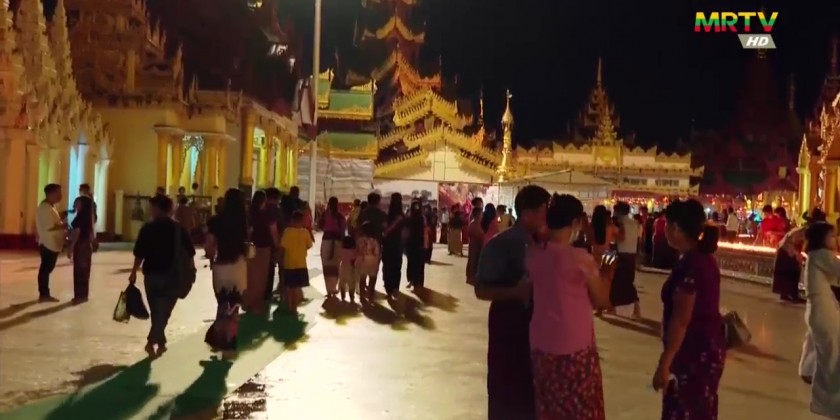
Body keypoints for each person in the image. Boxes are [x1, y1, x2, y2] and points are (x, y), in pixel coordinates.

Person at [528, 194, 615, 420]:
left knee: (550, 408)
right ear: (576, 223)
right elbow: (602, 301)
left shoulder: (533, 254)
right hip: (574, 346)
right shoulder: (579, 258)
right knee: (581, 410)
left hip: (541, 343)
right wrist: (607, 274)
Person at [475, 185, 550, 420]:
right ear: (529, 213)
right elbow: (481, 289)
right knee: (506, 387)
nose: (547, 216)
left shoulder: (542, 244)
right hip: (509, 325)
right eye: (544, 210)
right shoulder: (502, 244)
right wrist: (515, 292)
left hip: (537, 329)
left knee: (530, 390)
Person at [652, 199, 725, 419]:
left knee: (685, 408)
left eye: (666, 224)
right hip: (708, 347)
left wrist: (665, 362)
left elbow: (681, 319)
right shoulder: (704, 259)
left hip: (692, 351)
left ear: (676, 228)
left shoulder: (690, 266)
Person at [129, 195, 195, 358]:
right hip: (172, 275)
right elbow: (190, 252)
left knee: (157, 311)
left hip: (152, 275)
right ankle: (156, 341)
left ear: (158, 208)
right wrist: (191, 270)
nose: (150, 211)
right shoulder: (179, 229)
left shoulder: (147, 228)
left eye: (152, 207)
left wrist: (134, 271)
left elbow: (139, 253)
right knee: (164, 312)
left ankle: (155, 341)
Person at [204, 188, 249, 359]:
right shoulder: (243, 221)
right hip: (238, 266)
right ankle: (229, 343)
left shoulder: (215, 221)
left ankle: (219, 339)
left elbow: (209, 245)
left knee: (223, 305)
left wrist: (211, 259)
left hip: (221, 266)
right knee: (234, 308)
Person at [801, 222, 840, 417]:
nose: (835, 239)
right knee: (831, 360)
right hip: (824, 312)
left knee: (825, 355)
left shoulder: (815, 256)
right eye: (832, 236)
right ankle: (829, 404)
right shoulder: (821, 255)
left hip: (820, 310)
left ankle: (824, 401)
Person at [246, 190, 280, 315]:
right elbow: (273, 231)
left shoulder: (249, 214)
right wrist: (277, 245)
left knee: (250, 274)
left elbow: (249, 231)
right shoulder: (267, 214)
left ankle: (249, 300)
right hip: (264, 247)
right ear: (263, 201)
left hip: (251, 247)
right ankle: (257, 303)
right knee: (262, 276)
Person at [35, 184, 65, 302]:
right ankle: (44, 294)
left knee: (47, 269)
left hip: (53, 243)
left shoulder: (50, 206)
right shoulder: (44, 208)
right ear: (51, 194)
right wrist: (62, 226)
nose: (61, 196)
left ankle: (44, 293)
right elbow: (49, 226)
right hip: (48, 243)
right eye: (59, 193)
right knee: (45, 269)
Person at [281, 211, 314, 313]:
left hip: (288, 263)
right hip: (301, 264)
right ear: (302, 221)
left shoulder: (287, 232)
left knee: (288, 286)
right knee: (297, 287)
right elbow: (309, 245)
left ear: (292, 220)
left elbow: (283, 246)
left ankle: (289, 305)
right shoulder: (305, 232)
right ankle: (294, 307)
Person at [612, 201, 641, 317]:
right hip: (632, 254)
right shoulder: (634, 223)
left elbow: (621, 238)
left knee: (616, 282)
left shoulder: (620, 223)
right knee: (628, 282)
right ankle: (636, 308)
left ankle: (613, 307)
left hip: (622, 254)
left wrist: (613, 235)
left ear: (619, 212)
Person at [67, 195, 95, 304]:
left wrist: (71, 247)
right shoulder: (88, 217)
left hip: (81, 246)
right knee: (84, 271)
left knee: (79, 271)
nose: (75, 205)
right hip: (87, 246)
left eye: (77, 203)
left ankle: (79, 295)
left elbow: (77, 233)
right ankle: (83, 295)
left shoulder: (80, 217)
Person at [357, 192, 386, 297]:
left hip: (363, 243)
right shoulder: (381, 214)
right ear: (378, 201)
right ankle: (371, 291)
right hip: (376, 243)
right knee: (374, 269)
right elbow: (385, 227)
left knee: (362, 269)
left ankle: (362, 291)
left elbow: (358, 226)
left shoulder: (363, 213)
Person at [319, 197, 346, 298]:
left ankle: (329, 289)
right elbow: (343, 230)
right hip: (337, 241)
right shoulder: (340, 216)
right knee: (335, 265)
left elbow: (319, 226)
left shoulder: (324, 215)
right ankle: (334, 287)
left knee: (326, 265)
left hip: (326, 240)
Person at [382, 193, 406, 299]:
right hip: (398, 244)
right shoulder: (402, 217)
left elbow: (385, 231)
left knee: (387, 266)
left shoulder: (387, 216)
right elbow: (405, 233)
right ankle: (395, 288)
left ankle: (389, 289)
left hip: (388, 244)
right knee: (396, 266)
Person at [406, 201, 428, 290]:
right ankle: (418, 281)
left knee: (412, 263)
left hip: (412, 244)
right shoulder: (422, 218)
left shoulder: (409, 218)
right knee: (419, 263)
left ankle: (412, 280)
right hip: (419, 244)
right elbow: (425, 232)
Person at [465, 207, 484, 285]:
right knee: (473, 260)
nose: (482, 215)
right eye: (481, 213)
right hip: (474, 244)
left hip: (477, 244)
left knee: (475, 260)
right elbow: (479, 234)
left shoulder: (477, 223)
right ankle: (470, 276)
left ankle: (472, 276)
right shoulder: (474, 223)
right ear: (478, 214)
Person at [339, 235, 358, 303]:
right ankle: (351, 297)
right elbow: (355, 260)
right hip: (351, 268)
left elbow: (340, 257)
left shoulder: (341, 250)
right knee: (351, 284)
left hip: (343, 267)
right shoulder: (354, 251)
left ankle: (342, 296)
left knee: (342, 282)